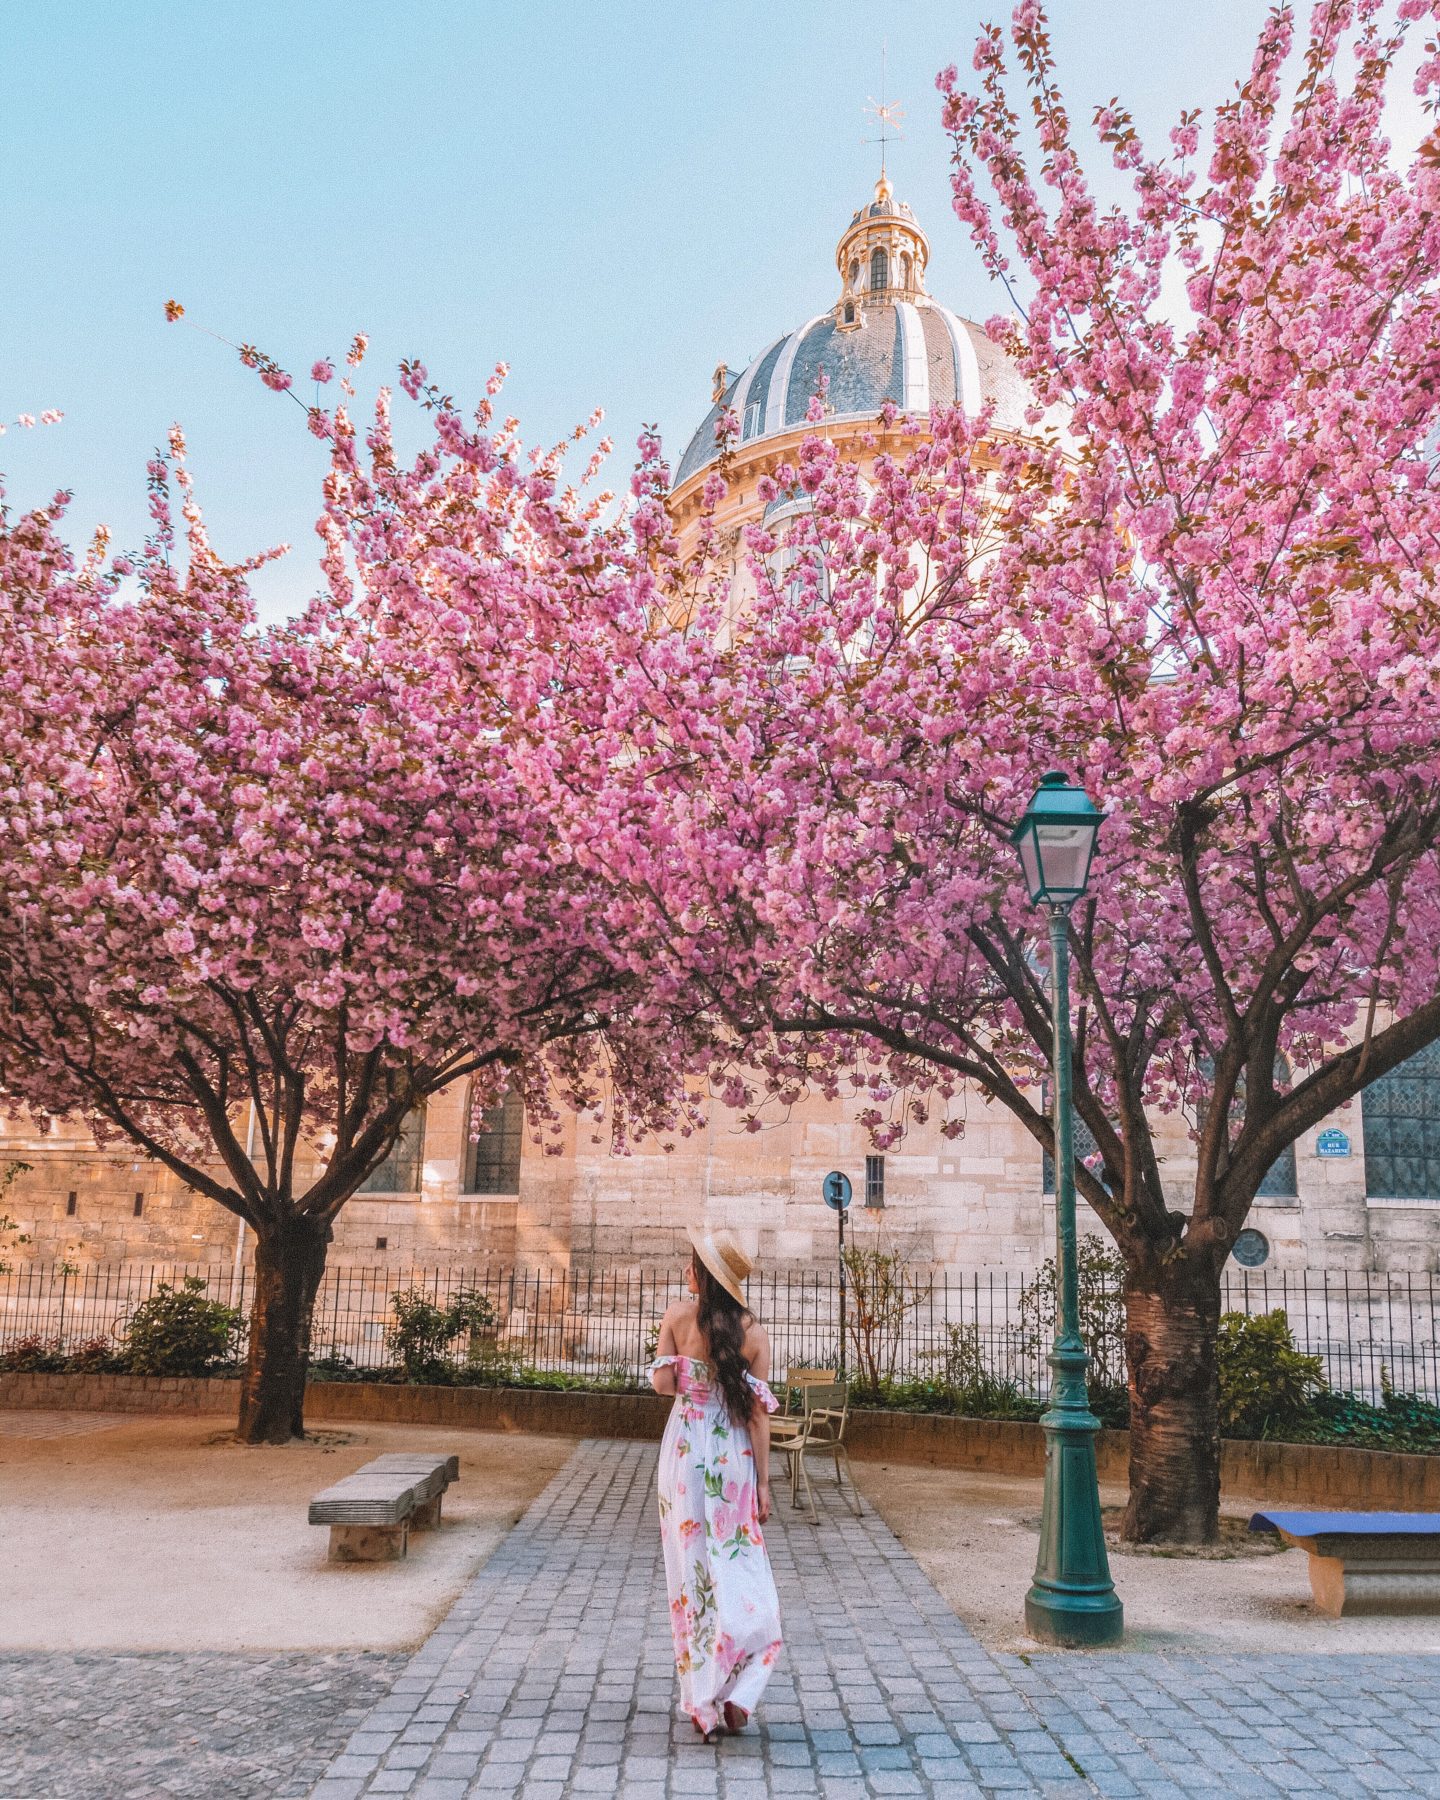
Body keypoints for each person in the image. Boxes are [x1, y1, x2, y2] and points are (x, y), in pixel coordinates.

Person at [649, 1226, 784, 1742]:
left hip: (684, 1456)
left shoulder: (677, 1318)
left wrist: (681, 1360)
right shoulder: (754, 1333)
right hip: (731, 1459)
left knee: (691, 1578)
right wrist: (765, 1484)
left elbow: (664, 1386)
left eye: (692, 1265)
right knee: (742, 1569)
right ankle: (741, 1691)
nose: (687, 1271)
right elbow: (757, 1417)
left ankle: (702, 1700)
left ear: (702, 1276)